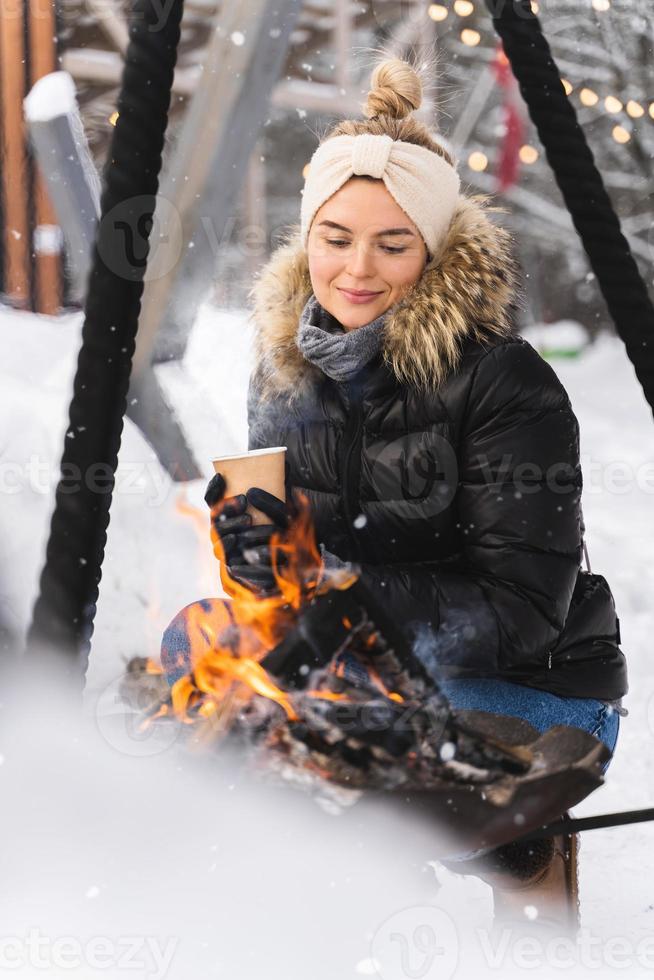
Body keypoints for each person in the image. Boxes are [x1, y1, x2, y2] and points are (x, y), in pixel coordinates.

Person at [162, 56, 628, 929]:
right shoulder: (282, 372)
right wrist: (256, 548)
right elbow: (279, 576)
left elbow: (521, 609)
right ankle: (335, 890)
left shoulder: (504, 382)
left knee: (319, 725)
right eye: (336, 237)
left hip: (524, 693)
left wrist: (337, 598)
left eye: (393, 242)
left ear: (437, 247)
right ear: (309, 241)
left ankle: (495, 855)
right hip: (355, 666)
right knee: (195, 650)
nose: (357, 270)